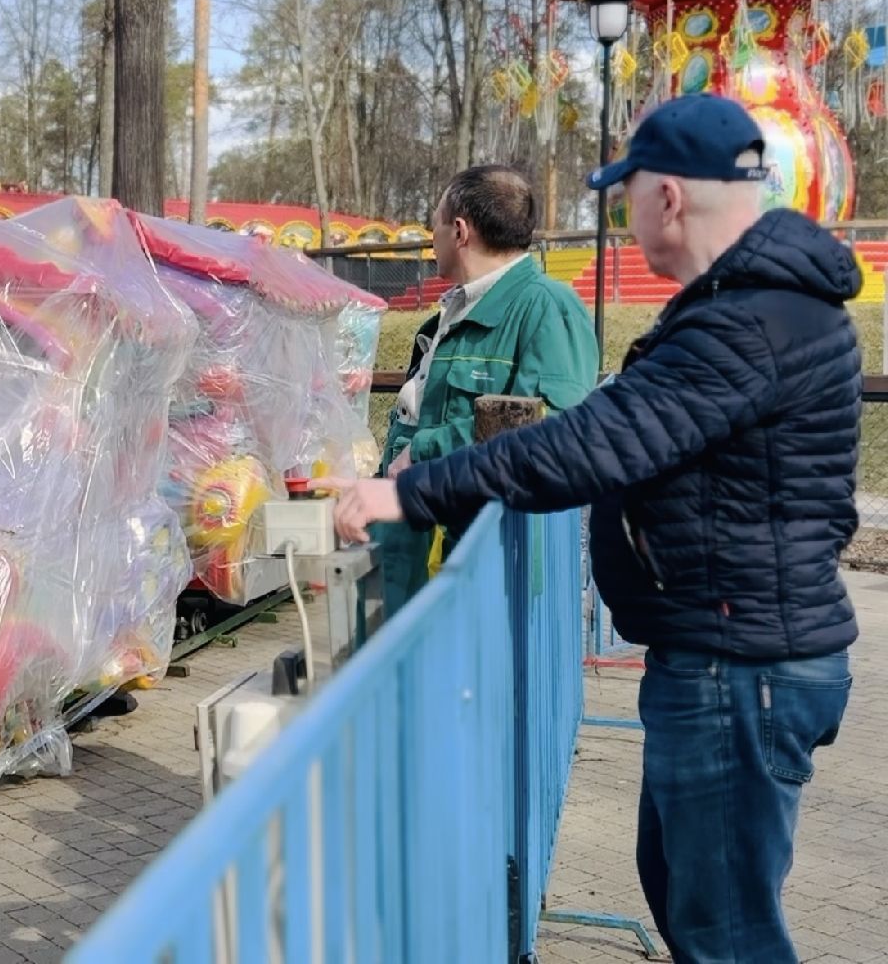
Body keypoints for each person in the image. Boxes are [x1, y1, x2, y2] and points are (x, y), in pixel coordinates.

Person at [316, 94, 860, 963]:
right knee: (688, 899)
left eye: (627, 194)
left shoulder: (751, 319)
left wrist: (410, 494)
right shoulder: (758, 305)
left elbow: (589, 442)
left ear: (669, 196)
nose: (623, 215)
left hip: (741, 663)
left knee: (726, 931)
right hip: (731, 649)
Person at [375, 165, 597, 615]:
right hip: (417, 547)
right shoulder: (449, 313)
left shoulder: (546, 309)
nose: (431, 237)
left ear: (459, 230)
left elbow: (550, 426)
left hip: (485, 563)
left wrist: (424, 451)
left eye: (434, 225)